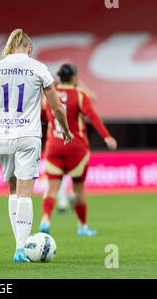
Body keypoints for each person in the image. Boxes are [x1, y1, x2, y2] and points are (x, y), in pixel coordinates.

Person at [0, 29, 73, 263]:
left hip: (2, 136)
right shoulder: (38, 67)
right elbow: (57, 107)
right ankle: (20, 248)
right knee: (26, 194)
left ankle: (18, 244)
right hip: (28, 135)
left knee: (13, 190)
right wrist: (65, 129)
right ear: (29, 48)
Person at [39, 63, 117, 236]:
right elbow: (93, 116)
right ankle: (82, 226)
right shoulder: (80, 95)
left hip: (54, 146)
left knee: (51, 188)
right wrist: (106, 136)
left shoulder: (48, 95)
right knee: (78, 189)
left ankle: (45, 219)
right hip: (76, 148)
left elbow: (42, 116)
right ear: (74, 78)